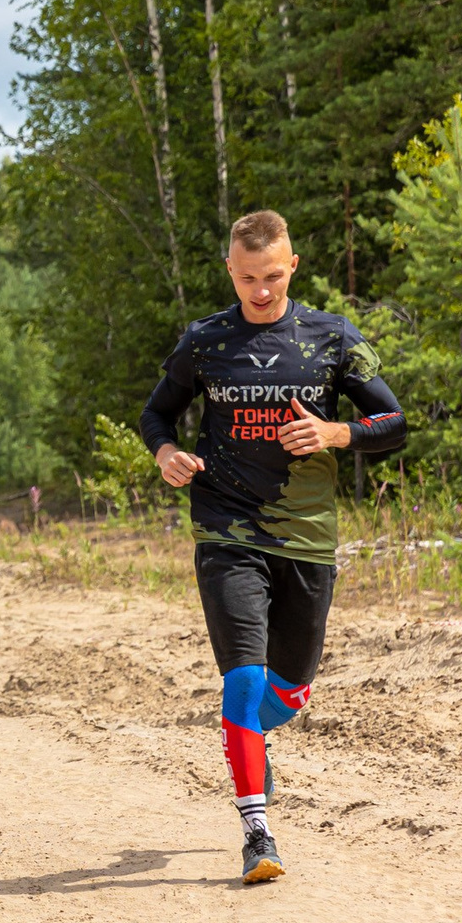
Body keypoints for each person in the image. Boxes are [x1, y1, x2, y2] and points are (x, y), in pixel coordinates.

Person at [137, 210, 406, 885]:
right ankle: (257, 831)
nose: (260, 291)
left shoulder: (331, 337)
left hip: (306, 537)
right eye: (248, 278)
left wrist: (337, 434)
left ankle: (251, 740)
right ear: (230, 270)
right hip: (226, 527)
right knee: (244, 678)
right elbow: (156, 413)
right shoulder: (205, 341)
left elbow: (394, 421)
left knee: (288, 692)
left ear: (293, 268)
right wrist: (166, 453)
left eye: (273, 277)